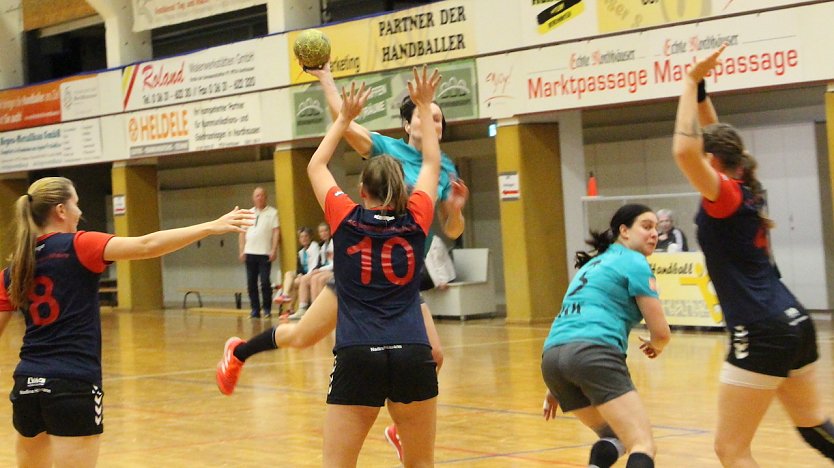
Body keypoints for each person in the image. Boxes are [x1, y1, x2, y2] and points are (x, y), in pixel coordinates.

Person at [216, 63, 468, 462]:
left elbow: (452, 230)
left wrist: (454, 211)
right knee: (302, 337)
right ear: (408, 124)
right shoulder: (387, 150)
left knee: (434, 354)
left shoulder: (445, 169)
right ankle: (239, 352)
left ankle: (403, 428)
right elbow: (344, 122)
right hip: (361, 276)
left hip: (400, 285)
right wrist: (326, 78)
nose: (433, 123)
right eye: (425, 114)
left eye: (439, 118)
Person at [0, 176, 252, 468]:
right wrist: (209, 226)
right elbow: (147, 245)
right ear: (60, 210)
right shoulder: (80, 245)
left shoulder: (15, 266)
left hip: (27, 385)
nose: (80, 212)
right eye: (76, 204)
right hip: (73, 385)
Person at [672, 44, 834, 466]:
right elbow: (716, 133)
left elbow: (685, 151)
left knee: (731, 448)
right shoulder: (750, 187)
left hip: (760, 329)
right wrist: (703, 92)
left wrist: (689, 83)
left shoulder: (724, 196)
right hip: (794, 321)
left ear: (713, 162)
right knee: (813, 426)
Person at [540, 203, 670, 468]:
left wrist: (555, 387)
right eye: (646, 227)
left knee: (614, 435)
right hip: (593, 354)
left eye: (656, 228)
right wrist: (656, 346)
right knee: (642, 444)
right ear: (624, 231)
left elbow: (574, 323)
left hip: (552, 360)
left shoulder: (591, 264)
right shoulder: (634, 261)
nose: (654, 234)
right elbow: (661, 332)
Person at [239, 186, 280, 318]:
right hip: (250, 252)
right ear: (253, 198)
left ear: (266, 197)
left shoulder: (273, 213)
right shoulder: (248, 213)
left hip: (265, 253)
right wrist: (242, 250)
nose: (259, 197)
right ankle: (255, 309)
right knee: (251, 283)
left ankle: (267, 308)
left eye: (262, 195)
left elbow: (276, 232)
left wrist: (274, 249)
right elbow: (241, 233)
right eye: (257, 195)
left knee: (265, 281)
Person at [277, 226, 320, 319]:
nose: (304, 239)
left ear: (310, 237)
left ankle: (290, 309)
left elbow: (314, 265)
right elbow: (299, 268)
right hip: (304, 274)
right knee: (289, 274)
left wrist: (303, 276)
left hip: (312, 273)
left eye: (306, 236)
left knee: (296, 283)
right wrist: (299, 273)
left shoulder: (314, 247)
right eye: (301, 237)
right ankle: (285, 295)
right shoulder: (301, 251)